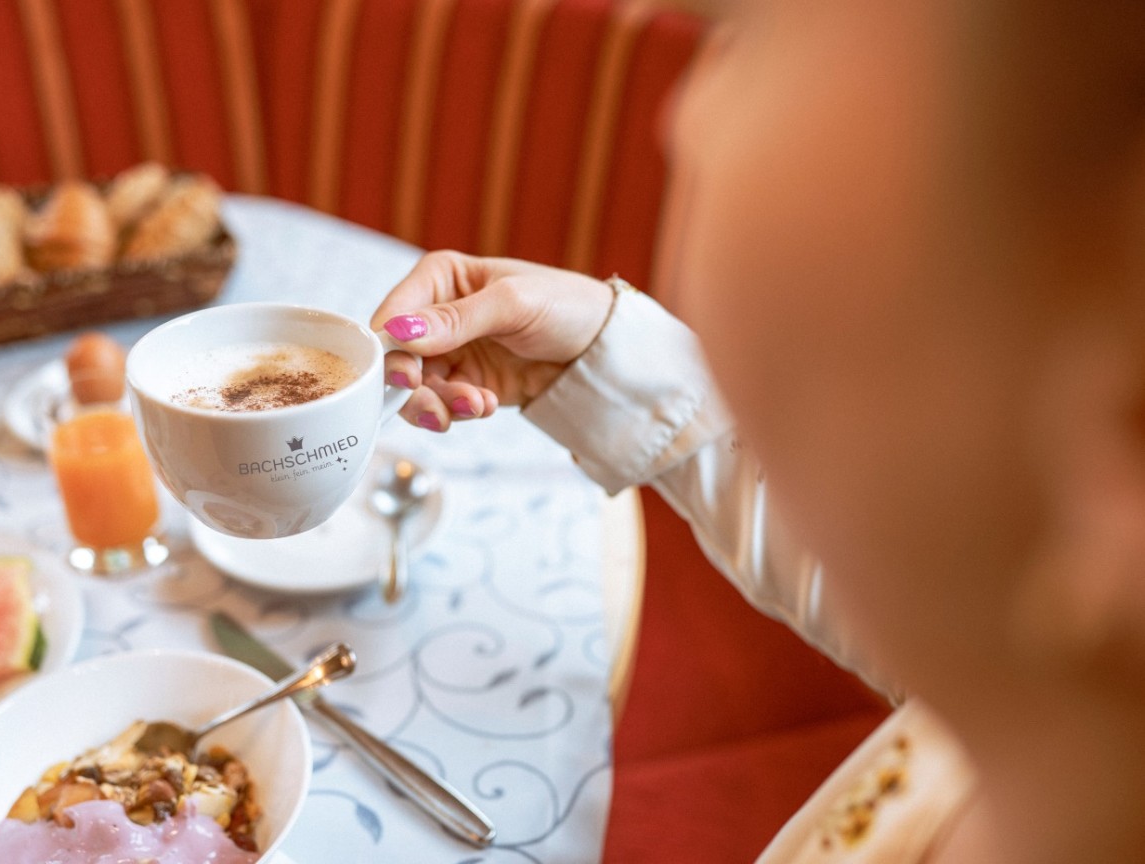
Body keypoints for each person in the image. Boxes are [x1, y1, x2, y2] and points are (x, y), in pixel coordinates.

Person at [369, 0, 1145, 861]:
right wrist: (601, 356)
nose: (686, 115)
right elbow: (978, 571)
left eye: (777, 32)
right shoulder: (1055, 683)